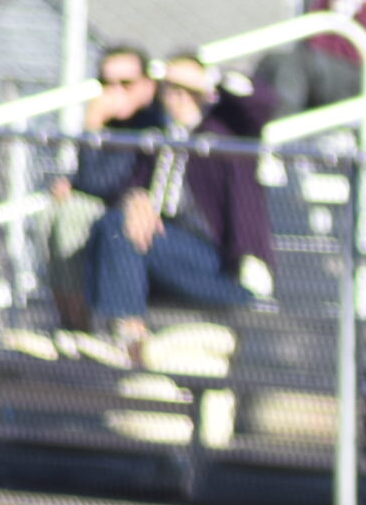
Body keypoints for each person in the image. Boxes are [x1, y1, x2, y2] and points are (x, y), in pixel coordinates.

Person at [86, 56, 275, 353]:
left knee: (116, 228)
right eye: (170, 89)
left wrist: (212, 82)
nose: (178, 97)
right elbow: (123, 183)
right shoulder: (159, 136)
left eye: (185, 89)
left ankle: (127, 337)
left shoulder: (227, 130)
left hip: (217, 263)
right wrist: (134, 199)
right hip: (164, 248)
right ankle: (92, 330)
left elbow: (261, 104)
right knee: (106, 224)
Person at [41, 45, 160, 328]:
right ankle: (69, 326)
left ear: (147, 85)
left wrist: (92, 125)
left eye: (126, 84)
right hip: (112, 208)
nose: (114, 92)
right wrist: (71, 183)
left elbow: (103, 183)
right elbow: (92, 178)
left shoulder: (150, 122)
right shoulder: (116, 123)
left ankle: (82, 328)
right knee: (52, 213)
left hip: (145, 220)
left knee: (73, 215)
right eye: (106, 83)